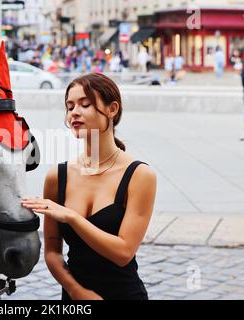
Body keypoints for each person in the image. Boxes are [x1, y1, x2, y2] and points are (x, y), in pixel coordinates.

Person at [21, 73, 157, 300]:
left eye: (85, 104)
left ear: (112, 109)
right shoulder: (58, 176)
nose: (74, 112)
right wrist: (76, 291)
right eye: (69, 106)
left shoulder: (140, 175)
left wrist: (73, 218)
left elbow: (123, 252)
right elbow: (53, 251)